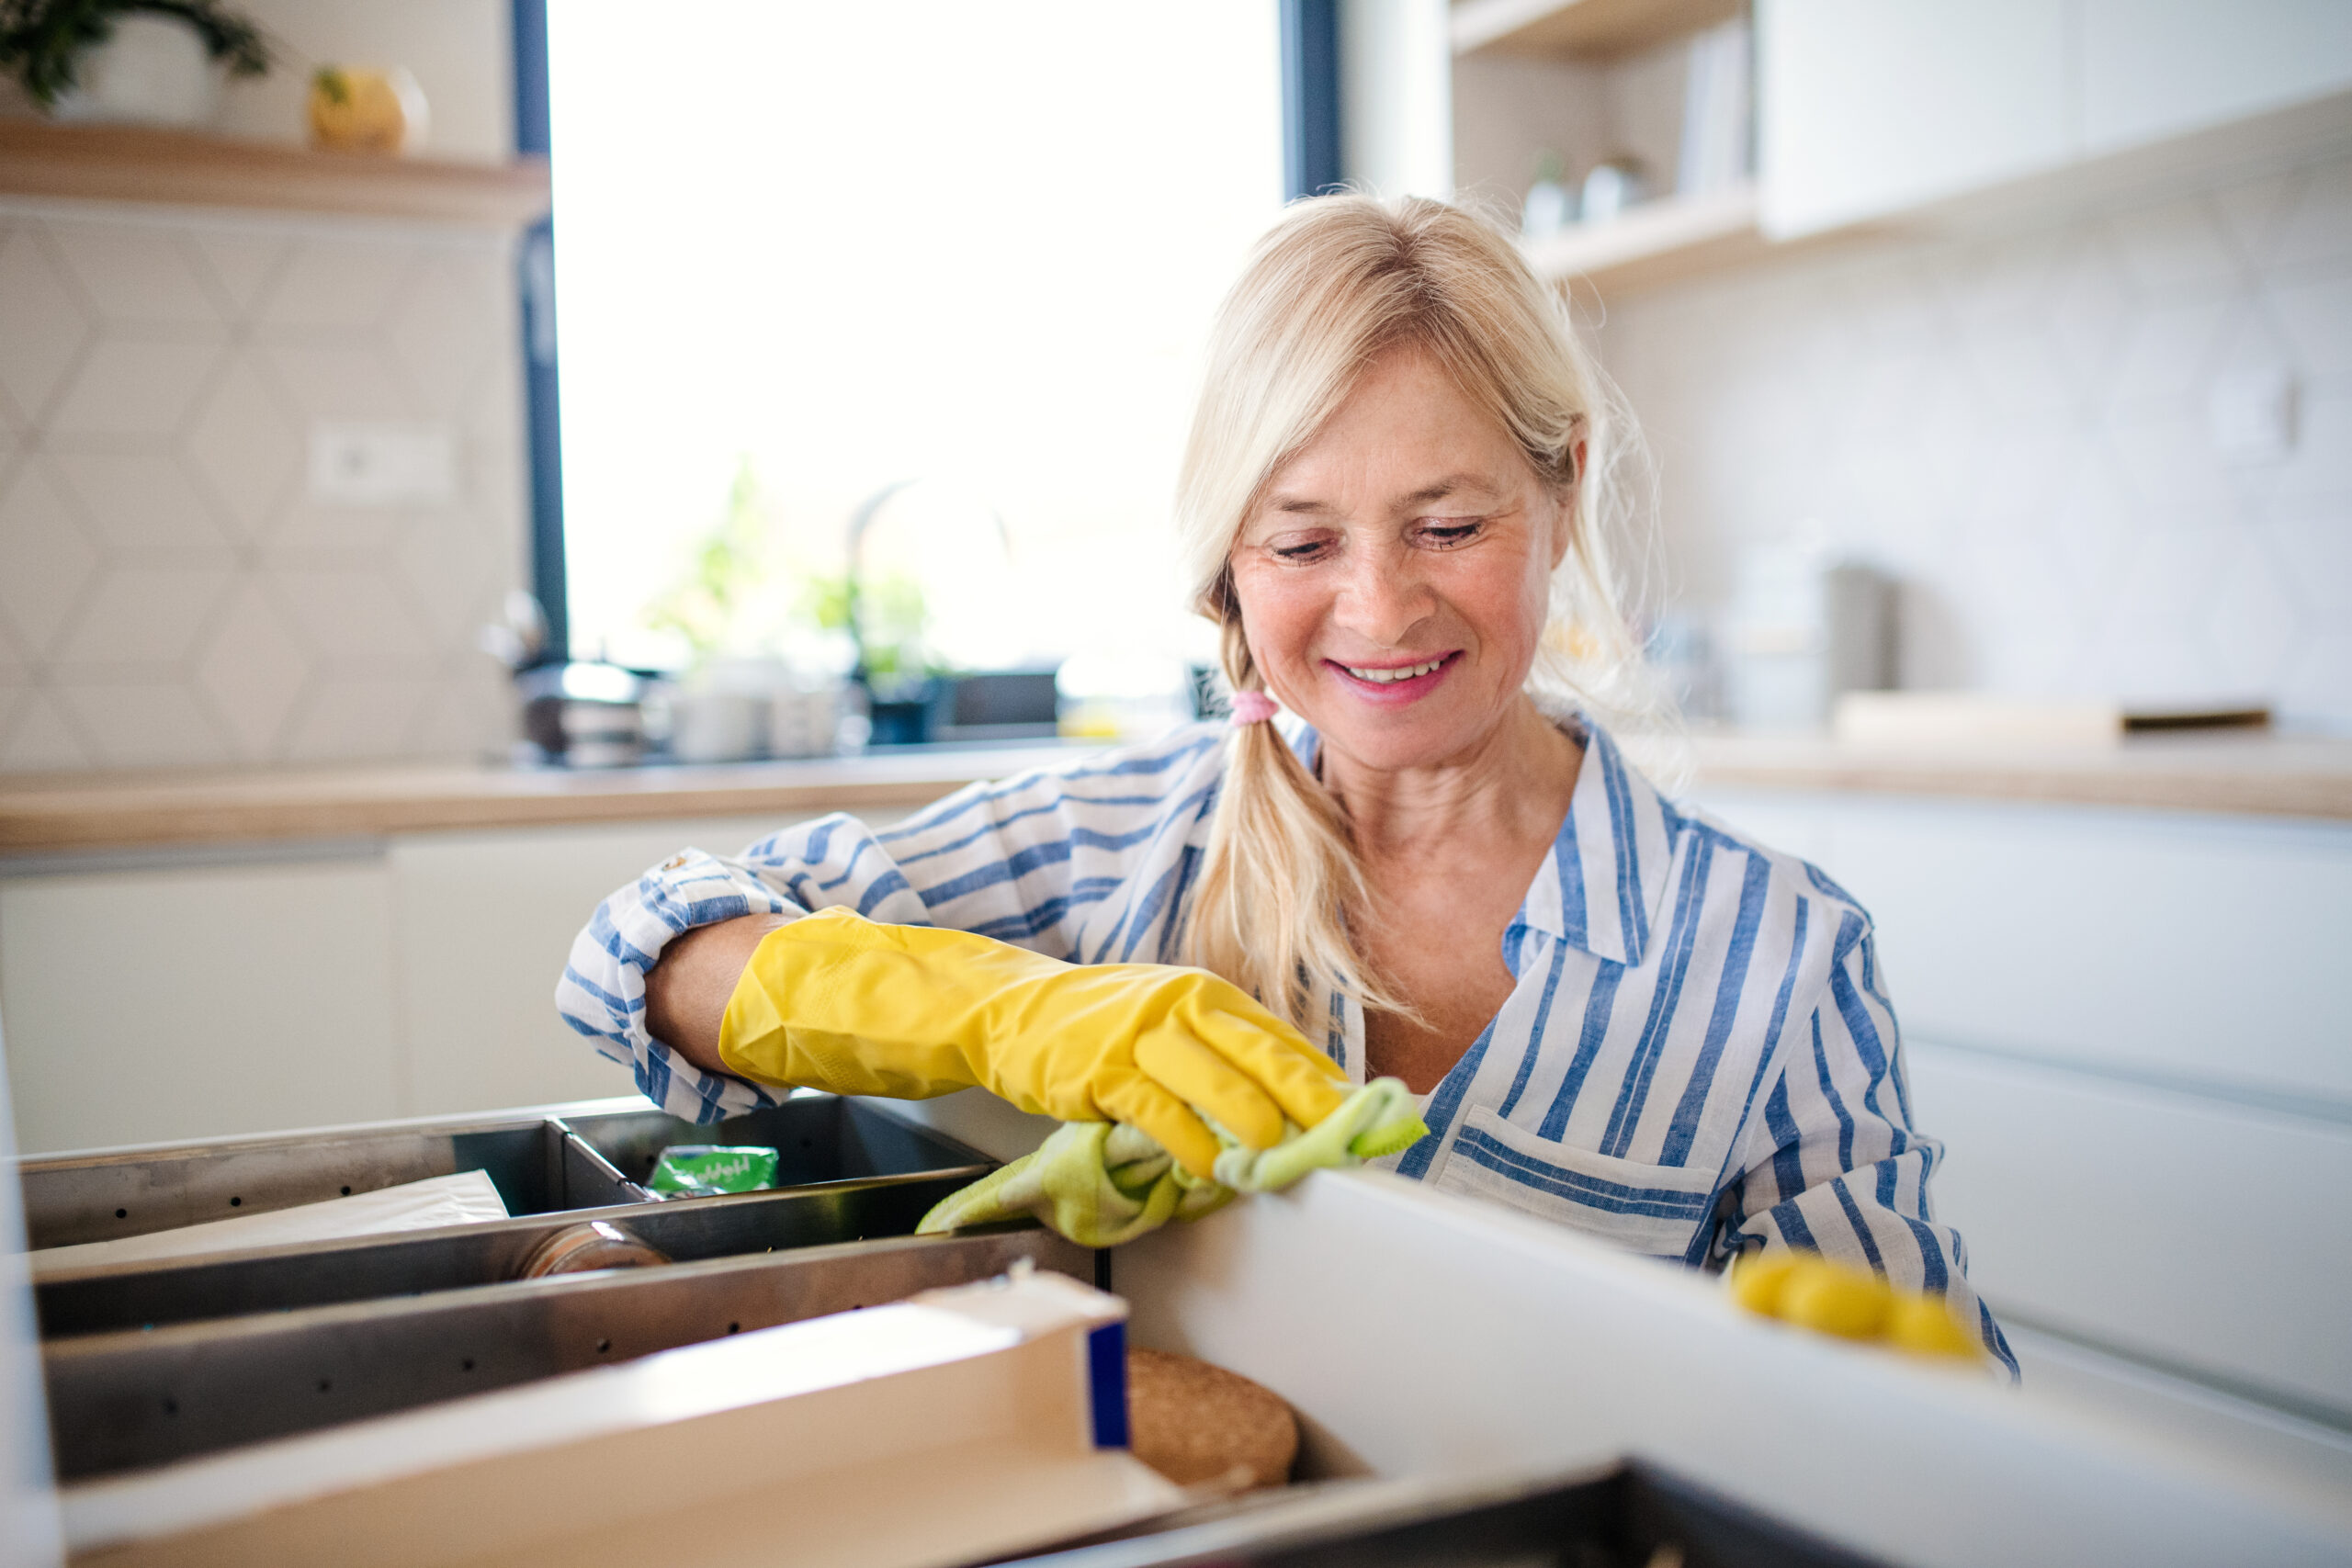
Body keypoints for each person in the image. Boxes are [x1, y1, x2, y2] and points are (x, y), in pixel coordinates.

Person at [560, 194, 2014, 1371]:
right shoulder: (1115, 850)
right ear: (1227, 570)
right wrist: (1013, 1015)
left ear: (1561, 491)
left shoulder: (1776, 961)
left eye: (1446, 524)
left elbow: (1920, 1436)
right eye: (1303, 544)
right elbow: (644, 949)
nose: (1380, 612)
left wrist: (1921, 1429)